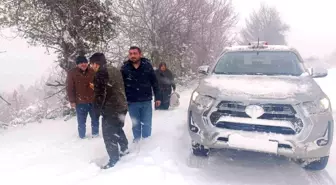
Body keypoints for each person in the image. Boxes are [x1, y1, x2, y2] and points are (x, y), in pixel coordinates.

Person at [90, 52, 129, 169]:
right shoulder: (114, 70)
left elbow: (100, 95)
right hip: (122, 106)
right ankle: (124, 148)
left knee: (108, 135)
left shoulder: (100, 74)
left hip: (111, 109)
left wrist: (96, 112)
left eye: (92, 64)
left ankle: (113, 159)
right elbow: (113, 87)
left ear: (96, 64)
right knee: (117, 129)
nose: (91, 67)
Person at [120, 46, 160, 142]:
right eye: (131, 54)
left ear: (140, 54)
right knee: (135, 123)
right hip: (132, 101)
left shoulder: (147, 66)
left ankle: (147, 142)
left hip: (146, 100)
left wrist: (157, 97)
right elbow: (121, 86)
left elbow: (154, 82)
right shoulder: (124, 68)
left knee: (146, 123)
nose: (132, 55)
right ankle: (137, 140)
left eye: (135, 53)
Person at [66, 55, 99, 139]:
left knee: (95, 119)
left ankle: (95, 135)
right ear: (77, 64)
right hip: (80, 102)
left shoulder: (92, 71)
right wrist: (72, 101)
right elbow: (70, 88)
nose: (83, 64)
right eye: (81, 63)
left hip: (93, 100)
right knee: (81, 122)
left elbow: (98, 84)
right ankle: (82, 137)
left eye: (85, 62)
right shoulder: (72, 73)